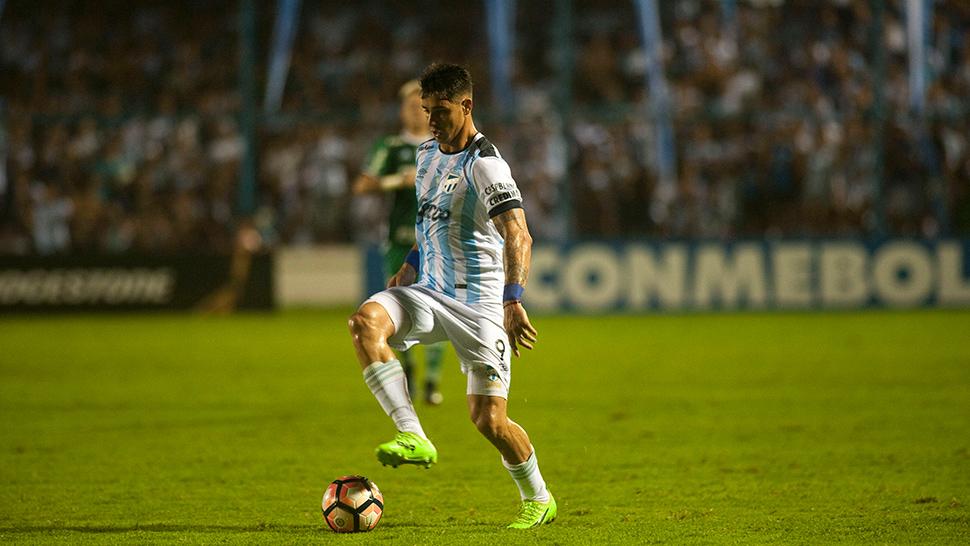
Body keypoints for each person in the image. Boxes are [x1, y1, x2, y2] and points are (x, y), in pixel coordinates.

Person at [347, 63, 556, 529]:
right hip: (429, 291)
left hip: (480, 307)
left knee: (489, 421)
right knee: (365, 322)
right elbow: (429, 220)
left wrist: (513, 299)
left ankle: (539, 498)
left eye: (440, 111)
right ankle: (412, 434)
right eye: (426, 111)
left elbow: (518, 234)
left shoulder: (485, 165)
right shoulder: (425, 154)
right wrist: (409, 264)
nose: (431, 120)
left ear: (466, 105)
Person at [352, 80, 445, 405]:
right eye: (410, 106)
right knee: (399, 309)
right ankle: (408, 370)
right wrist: (398, 181)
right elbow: (362, 186)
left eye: (422, 106)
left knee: (437, 307)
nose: (416, 112)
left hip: (437, 239)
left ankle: (432, 382)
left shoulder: (444, 146)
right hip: (397, 239)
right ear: (402, 111)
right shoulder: (391, 146)